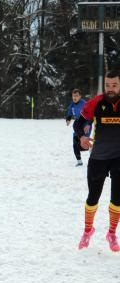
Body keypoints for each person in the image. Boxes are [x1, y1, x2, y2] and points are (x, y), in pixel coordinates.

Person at [74, 70, 120, 252]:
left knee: (117, 199)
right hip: (99, 157)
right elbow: (79, 124)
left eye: (114, 85)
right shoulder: (95, 103)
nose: (110, 89)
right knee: (93, 197)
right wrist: (82, 138)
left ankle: (112, 233)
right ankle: (87, 231)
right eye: (107, 85)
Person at [65, 89, 88, 166]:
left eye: (76, 96)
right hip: (77, 126)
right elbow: (69, 114)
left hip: (85, 125)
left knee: (84, 143)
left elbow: (90, 113)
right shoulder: (72, 105)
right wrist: (68, 120)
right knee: (75, 143)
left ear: (80, 96)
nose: (74, 97)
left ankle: (92, 150)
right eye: (73, 96)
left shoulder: (84, 104)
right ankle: (79, 161)